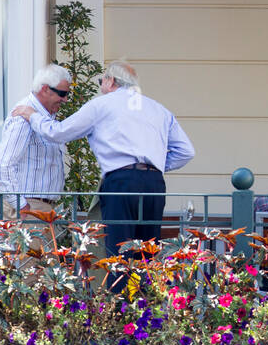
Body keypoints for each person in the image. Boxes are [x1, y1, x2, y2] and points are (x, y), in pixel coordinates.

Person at [13, 61, 194, 286]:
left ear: (110, 81)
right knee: (147, 252)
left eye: (101, 81)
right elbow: (186, 152)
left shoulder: (101, 105)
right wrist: (153, 166)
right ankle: (146, 309)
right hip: (154, 183)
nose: (101, 86)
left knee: (119, 252)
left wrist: (32, 115)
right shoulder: (158, 108)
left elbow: (58, 133)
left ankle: (120, 311)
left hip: (121, 182)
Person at [0, 64, 70, 221]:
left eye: (68, 94)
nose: (65, 99)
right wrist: (22, 206)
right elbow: (2, 165)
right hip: (29, 206)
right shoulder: (23, 117)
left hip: (39, 206)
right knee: (29, 247)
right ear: (45, 89)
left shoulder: (42, 116)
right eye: (62, 94)